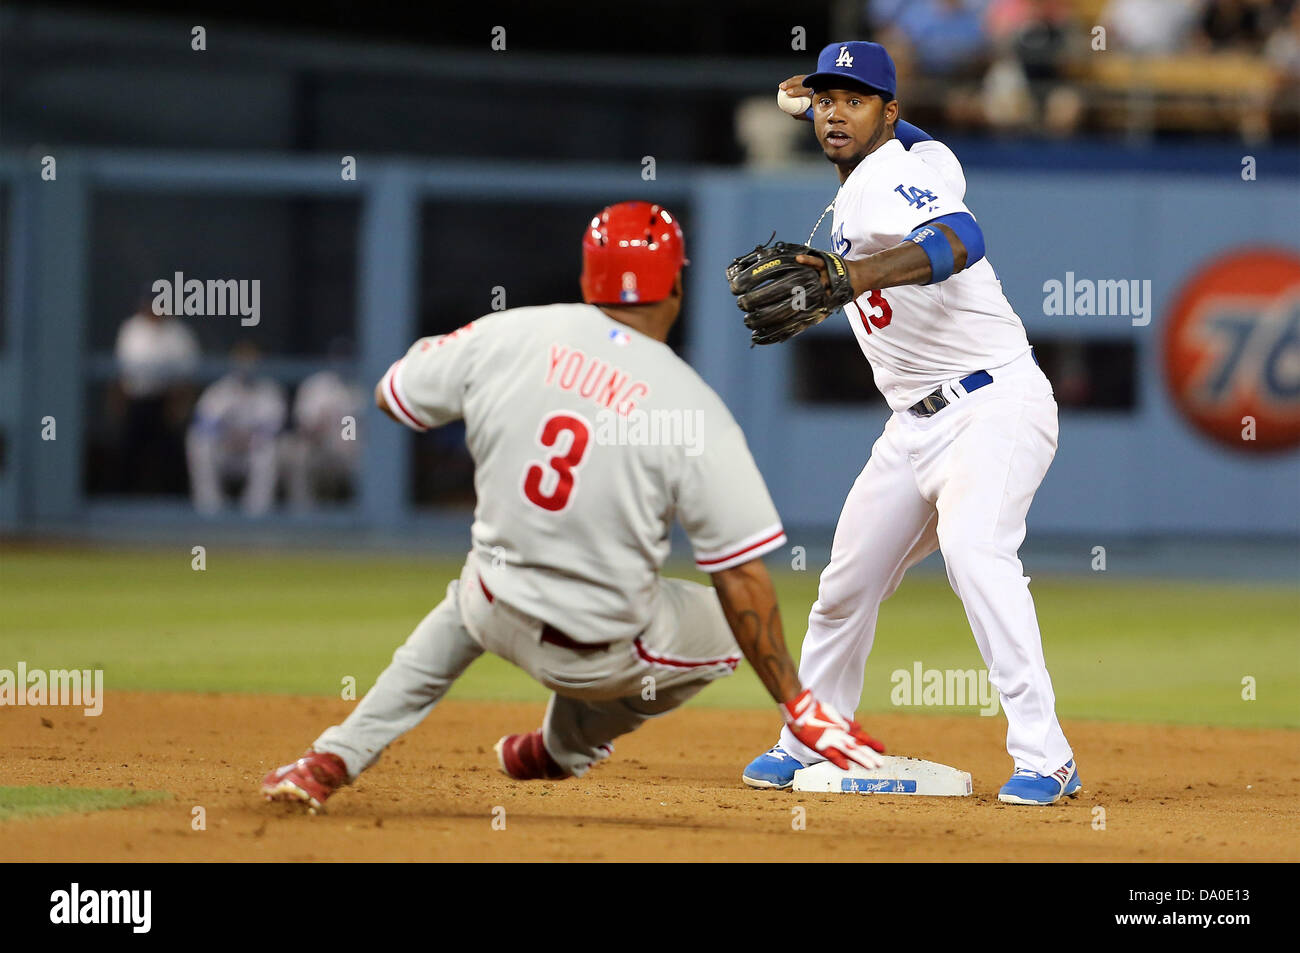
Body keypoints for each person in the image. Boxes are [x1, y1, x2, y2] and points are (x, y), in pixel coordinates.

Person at [260, 201, 885, 812]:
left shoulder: (509, 332)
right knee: (733, 632)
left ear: (589, 279)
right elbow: (741, 574)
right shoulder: (691, 406)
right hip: (596, 652)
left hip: (492, 605)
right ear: (675, 289)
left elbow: (395, 395)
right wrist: (796, 705)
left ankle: (328, 760)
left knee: (464, 603)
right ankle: (564, 746)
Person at [740, 42, 1080, 806]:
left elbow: (963, 241)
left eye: (855, 99)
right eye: (827, 98)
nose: (835, 110)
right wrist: (815, 106)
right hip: (914, 425)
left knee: (974, 548)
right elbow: (917, 148)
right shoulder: (921, 158)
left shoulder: (891, 178)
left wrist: (850, 276)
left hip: (996, 404)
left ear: (888, 114)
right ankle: (812, 734)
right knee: (844, 583)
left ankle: (1047, 756)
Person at [185, 342, 286, 516]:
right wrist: (225, 436)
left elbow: (274, 427)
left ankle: (257, 510)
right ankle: (210, 508)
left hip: (252, 452)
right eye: (242, 359)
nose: (247, 364)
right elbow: (203, 423)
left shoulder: (269, 390)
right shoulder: (220, 389)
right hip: (225, 451)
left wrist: (249, 438)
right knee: (197, 441)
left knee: (270, 448)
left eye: (252, 359)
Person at [112, 295, 199, 494]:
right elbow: (118, 370)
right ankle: (123, 497)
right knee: (129, 451)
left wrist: (181, 404)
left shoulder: (178, 333)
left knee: (171, 455)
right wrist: (117, 400)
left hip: (168, 400)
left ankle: (177, 500)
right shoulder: (131, 328)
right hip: (137, 399)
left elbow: (189, 374)